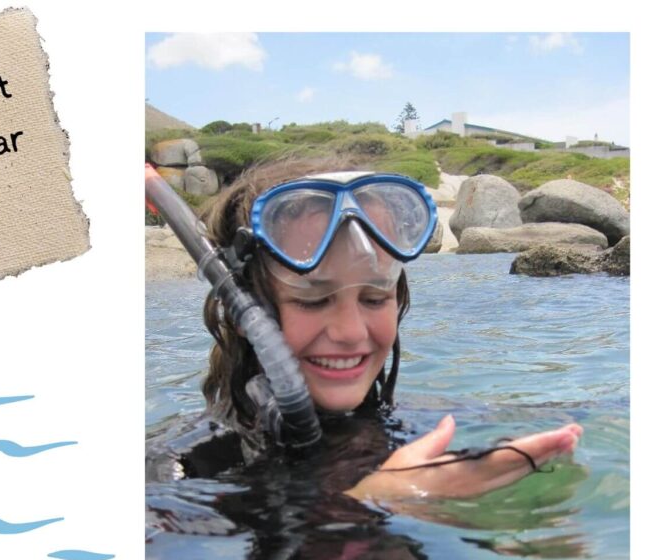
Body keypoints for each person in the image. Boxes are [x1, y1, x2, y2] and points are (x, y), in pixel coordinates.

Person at [192, 157, 582, 501]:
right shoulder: (192, 462)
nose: (350, 332)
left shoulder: (407, 420)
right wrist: (382, 497)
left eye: (375, 298)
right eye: (312, 301)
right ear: (242, 312)